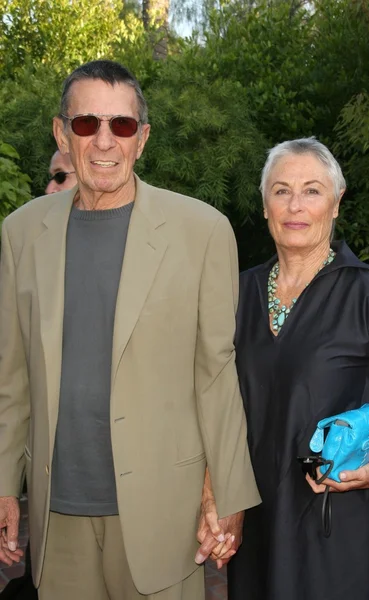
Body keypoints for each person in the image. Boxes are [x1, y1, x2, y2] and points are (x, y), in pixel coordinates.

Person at [0, 59, 260, 600]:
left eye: (120, 125)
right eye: (86, 123)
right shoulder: (21, 234)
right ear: (60, 132)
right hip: (58, 509)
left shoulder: (202, 231)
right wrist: (5, 484)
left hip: (164, 510)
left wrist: (227, 490)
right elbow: (13, 377)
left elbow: (217, 372)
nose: (103, 142)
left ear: (141, 138)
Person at [226, 137, 369, 600]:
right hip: (254, 517)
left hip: (331, 519)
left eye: (312, 190)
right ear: (265, 206)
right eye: (281, 190)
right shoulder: (236, 294)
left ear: (337, 202)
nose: (295, 205)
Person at [0, 150, 78, 600]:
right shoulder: (29, 253)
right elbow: (14, 383)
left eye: (58, 177)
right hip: (54, 489)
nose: (50, 187)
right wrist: (8, 485)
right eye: (52, 177)